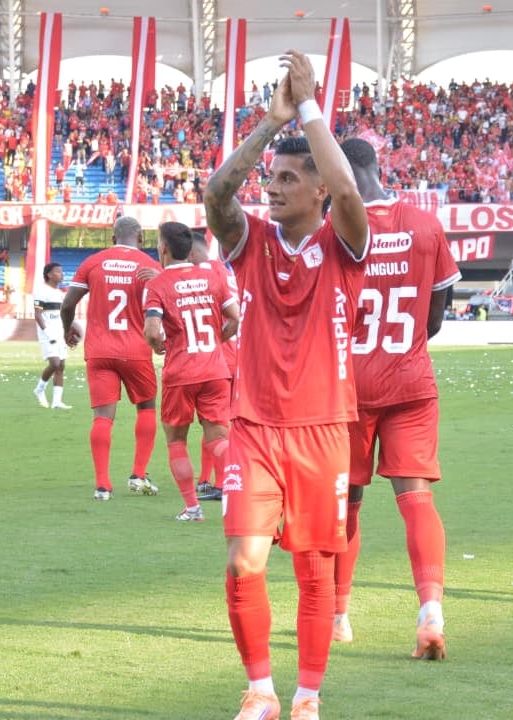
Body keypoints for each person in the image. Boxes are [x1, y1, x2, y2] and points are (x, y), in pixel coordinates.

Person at [203, 50, 369, 720]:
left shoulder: (343, 243)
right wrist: (270, 127)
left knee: (314, 569)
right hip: (253, 429)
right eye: (270, 177)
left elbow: (351, 192)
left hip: (324, 430)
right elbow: (218, 195)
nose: (270, 187)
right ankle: (260, 689)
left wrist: (309, 109)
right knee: (246, 560)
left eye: (288, 178)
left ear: (318, 190)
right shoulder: (250, 244)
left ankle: (306, 698)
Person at [330, 137, 461, 660]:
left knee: (346, 505)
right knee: (417, 500)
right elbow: (434, 318)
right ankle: (430, 609)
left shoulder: (335, 229)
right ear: (377, 167)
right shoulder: (425, 224)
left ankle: (339, 616)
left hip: (347, 388)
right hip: (410, 381)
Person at [143, 222, 240, 522]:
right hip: (214, 369)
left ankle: (192, 507)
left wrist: (159, 345)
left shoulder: (157, 285)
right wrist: (214, 341)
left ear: (164, 249)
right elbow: (234, 319)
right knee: (219, 439)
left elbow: (151, 330)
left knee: (176, 441)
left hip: (181, 372)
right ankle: (244, 486)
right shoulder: (211, 276)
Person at [61, 216, 161, 501]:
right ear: (140, 238)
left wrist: (67, 329)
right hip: (136, 351)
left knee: (103, 418)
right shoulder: (151, 266)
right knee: (146, 408)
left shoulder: (94, 262)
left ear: (113, 238)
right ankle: (138, 474)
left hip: (100, 350)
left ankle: (102, 486)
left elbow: (68, 303)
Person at [189, 232, 235, 502]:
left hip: (218, 357)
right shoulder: (226, 271)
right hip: (240, 355)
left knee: (215, 424)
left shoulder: (202, 275)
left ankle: (224, 482)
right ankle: (207, 479)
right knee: (217, 423)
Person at [33, 262, 71, 410]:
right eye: (58, 271)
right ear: (49, 274)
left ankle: (56, 402)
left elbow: (62, 315)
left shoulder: (60, 294)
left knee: (61, 366)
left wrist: (68, 330)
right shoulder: (41, 291)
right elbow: (37, 314)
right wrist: (48, 333)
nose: (61, 274)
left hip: (59, 332)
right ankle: (39, 389)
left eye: (62, 271)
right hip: (47, 334)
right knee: (55, 363)